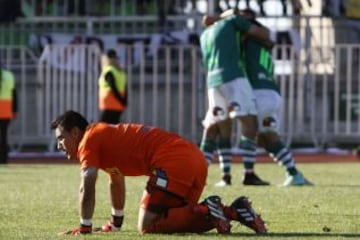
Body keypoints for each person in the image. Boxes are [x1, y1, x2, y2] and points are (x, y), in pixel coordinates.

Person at [51, 110, 267, 235]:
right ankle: (233, 211)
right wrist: (115, 224)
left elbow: (87, 183)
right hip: (194, 159)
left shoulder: (88, 140)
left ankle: (208, 209)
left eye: (61, 138)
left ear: (76, 132)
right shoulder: (100, 137)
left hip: (173, 162)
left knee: (146, 225)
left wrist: (85, 228)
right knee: (172, 221)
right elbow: (116, 179)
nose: (59, 145)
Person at [235, 8, 312, 186]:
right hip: (271, 92)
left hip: (259, 92)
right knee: (264, 137)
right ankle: (294, 174)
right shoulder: (264, 42)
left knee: (253, 132)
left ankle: (250, 175)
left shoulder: (245, 40)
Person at [199, 9, 272, 187]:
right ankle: (248, 173)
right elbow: (263, 34)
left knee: (218, 125)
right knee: (249, 122)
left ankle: (216, 175)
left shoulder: (205, 34)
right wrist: (242, 22)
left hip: (213, 81)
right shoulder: (232, 21)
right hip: (233, 76)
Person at [98, 49, 128, 124]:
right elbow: (125, 87)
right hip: (118, 104)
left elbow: (113, 87)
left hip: (110, 103)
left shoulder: (109, 71)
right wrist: (123, 101)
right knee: (113, 127)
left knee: (101, 127)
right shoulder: (120, 71)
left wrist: (120, 100)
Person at [0, 63, 17, 164]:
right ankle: (3, 159)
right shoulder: (9, 75)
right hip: (6, 109)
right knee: (4, 136)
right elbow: (14, 94)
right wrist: (14, 110)